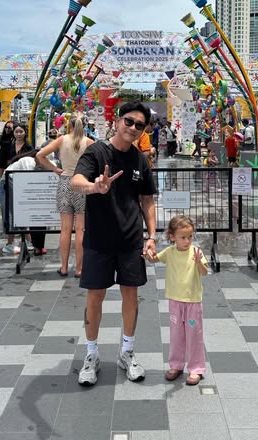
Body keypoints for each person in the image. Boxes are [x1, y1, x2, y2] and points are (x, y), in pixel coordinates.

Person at [70, 101, 157, 386]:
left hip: (131, 239)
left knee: (131, 294)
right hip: (98, 238)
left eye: (139, 125)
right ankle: (91, 354)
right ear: (118, 121)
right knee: (95, 296)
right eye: (128, 121)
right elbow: (76, 181)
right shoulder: (97, 152)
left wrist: (152, 236)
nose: (132, 128)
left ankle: (127, 351)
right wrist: (95, 186)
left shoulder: (140, 160)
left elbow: (147, 200)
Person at [146, 215, 207, 385]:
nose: (187, 241)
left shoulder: (196, 252)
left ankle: (196, 368)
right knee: (176, 334)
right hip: (175, 301)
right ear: (172, 237)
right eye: (183, 237)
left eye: (190, 236)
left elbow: (204, 272)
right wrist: (147, 254)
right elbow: (154, 259)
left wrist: (198, 262)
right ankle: (176, 365)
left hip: (192, 302)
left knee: (194, 335)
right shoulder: (170, 252)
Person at [37, 115, 94, 276]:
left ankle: (63, 267)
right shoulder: (89, 142)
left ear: (69, 125)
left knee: (65, 229)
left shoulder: (61, 140)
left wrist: (55, 169)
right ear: (84, 126)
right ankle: (79, 269)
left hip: (64, 183)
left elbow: (40, 155)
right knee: (80, 229)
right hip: (82, 183)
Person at [0, 149, 45, 255]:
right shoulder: (29, 161)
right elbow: (28, 179)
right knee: (12, 213)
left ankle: (28, 241)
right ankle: (9, 244)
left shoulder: (33, 162)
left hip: (14, 182)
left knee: (20, 212)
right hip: (8, 182)